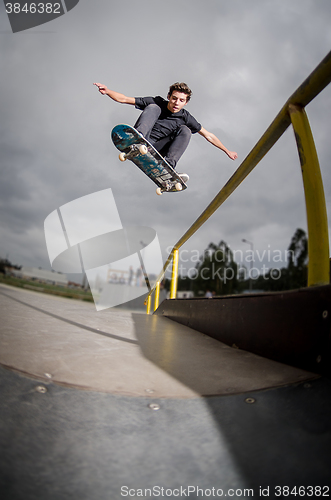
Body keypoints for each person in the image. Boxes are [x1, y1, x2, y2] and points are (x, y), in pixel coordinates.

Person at [93, 81, 238, 177]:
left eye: (181, 100)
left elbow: (208, 135)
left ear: (186, 103)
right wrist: (108, 91)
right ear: (169, 96)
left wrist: (227, 150)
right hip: (144, 139)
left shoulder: (186, 117)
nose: (176, 103)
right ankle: (137, 139)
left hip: (157, 149)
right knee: (153, 107)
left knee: (186, 130)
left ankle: (168, 165)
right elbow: (124, 99)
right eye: (174, 98)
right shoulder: (157, 101)